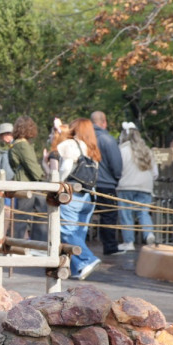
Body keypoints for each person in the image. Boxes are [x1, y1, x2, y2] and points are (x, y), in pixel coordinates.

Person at [54, 117, 101, 280]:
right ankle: (78, 268)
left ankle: (88, 259)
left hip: (73, 194)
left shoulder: (70, 145)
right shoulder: (92, 148)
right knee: (78, 233)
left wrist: (59, 182)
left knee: (66, 230)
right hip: (89, 196)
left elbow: (66, 167)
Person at [116, 121, 158, 251]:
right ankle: (149, 234)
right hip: (145, 187)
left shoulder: (122, 150)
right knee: (143, 213)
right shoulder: (147, 150)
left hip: (126, 186)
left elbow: (117, 170)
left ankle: (129, 242)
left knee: (126, 214)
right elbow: (155, 173)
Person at [7, 116, 48, 243]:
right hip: (29, 183)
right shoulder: (22, 145)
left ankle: (31, 244)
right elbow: (32, 165)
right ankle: (21, 244)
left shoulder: (15, 143)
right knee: (27, 216)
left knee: (31, 214)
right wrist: (44, 179)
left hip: (25, 182)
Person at [90, 111, 123, 256]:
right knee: (109, 216)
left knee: (85, 215)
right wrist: (116, 178)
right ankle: (110, 247)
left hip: (89, 183)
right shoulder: (107, 139)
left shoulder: (86, 138)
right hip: (106, 183)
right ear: (104, 122)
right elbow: (116, 163)